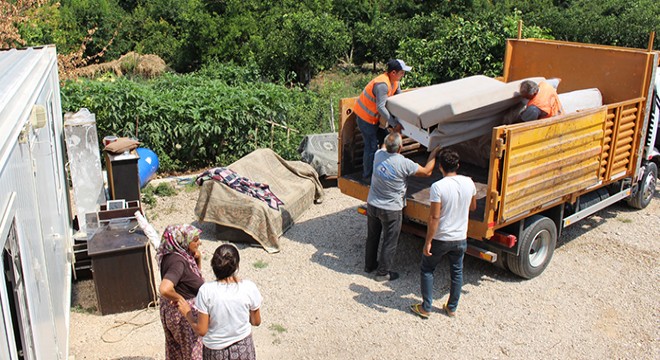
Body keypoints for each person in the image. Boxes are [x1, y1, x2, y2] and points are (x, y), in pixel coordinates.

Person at [365, 132, 441, 281]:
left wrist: (394, 130)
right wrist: (434, 152)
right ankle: (382, 273)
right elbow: (427, 171)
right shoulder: (404, 163)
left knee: (373, 236)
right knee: (390, 240)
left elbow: (382, 146)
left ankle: (369, 265)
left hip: (373, 204)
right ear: (401, 147)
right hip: (391, 209)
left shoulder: (378, 155)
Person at [410, 149, 476, 319]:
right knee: (457, 272)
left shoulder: (438, 187)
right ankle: (451, 308)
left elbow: (434, 217)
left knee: (427, 269)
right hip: (461, 237)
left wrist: (428, 241)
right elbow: (473, 207)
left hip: (442, 237)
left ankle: (426, 308)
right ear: (458, 165)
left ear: (440, 167)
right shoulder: (469, 182)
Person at [178, 244, 262, 360]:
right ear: (237, 265)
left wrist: (188, 313)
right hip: (243, 348)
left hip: (215, 351)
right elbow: (256, 321)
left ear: (213, 265)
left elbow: (202, 330)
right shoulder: (249, 287)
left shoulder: (206, 291)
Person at [353, 59, 412, 183]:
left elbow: (399, 99)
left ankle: (380, 170)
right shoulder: (382, 85)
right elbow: (381, 107)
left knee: (385, 140)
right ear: (393, 73)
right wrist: (395, 124)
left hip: (375, 118)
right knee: (371, 146)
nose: (403, 75)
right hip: (365, 118)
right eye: (402, 72)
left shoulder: (395, 82)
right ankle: (367, 177)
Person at [157, 224, 205, 360]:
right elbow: (165, 288)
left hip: (171, 311)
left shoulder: (172, 254)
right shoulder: (178, 262)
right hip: (183, 316)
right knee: (192, 353)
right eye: (195, 240)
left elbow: (192, 279)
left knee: (178, 352)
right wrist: (179, 298)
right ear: (183, 241)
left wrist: (197, 259)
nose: (199, 242)